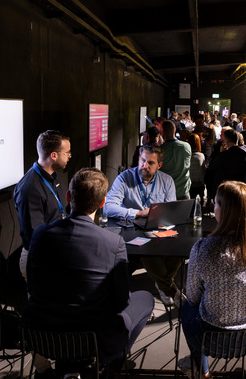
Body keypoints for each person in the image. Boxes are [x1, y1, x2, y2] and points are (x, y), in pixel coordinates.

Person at [23, 168, 154, 375]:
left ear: (68, 196)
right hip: (92, 339)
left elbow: (32, 286)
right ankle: (110, 364)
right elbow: (121, 302)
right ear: (102, 203)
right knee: (146, 299)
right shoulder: (113, 243)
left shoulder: (40, 234)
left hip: (43, 335)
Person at [179, 181, 246, 379]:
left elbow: (193, 297)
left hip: (212, 339)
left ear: (226, 212)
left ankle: (202, 371)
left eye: (216, 204)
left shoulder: (204, 248)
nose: (214, 208)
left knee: (187, 308)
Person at [103, 145, 184, 307]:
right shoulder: (124, 178)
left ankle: (162, 283)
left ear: (159, 165)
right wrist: (138, 213)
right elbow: (108, 207)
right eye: (142, 160)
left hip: (157, 229)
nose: (144, 166)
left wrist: (161, 221)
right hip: (130, 231)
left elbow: (170, 212)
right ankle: (169, 289)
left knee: (180, 249)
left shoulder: (167, 180)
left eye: (150, 163)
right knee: (147, 249)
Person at [14, 130, 71, 280]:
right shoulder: (30, 188)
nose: (70, 156)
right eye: (67, 153)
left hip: (55, 253)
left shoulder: (52, 177)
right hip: (40, 258)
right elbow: (35, 234)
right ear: (54, 155)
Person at [204, 128, 246, 202]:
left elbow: (212, 167)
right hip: (237, 188)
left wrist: (221, 153)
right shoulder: (243, 153)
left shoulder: (224, 154)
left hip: (224, 189)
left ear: (226, 141)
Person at [161, 120, 192, 199]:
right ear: (174, 130)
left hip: (166, 193)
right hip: (183, 191)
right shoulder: (186, 146)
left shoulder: (160, 150)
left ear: (162, 133)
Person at [188, 133, 206, 202]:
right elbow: (203, 170)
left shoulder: (187, 155)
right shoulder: (201, 155)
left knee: (191, 200)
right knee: (201, 199)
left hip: (191, 183)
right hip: (200, 183)